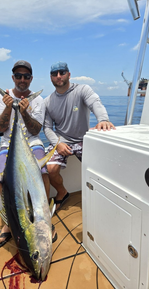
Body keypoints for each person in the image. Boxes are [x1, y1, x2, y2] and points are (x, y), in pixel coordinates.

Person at [0, 60, 57, 249]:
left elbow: (36, 131)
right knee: (2, 179)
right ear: (13, 78)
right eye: (18, 76)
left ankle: (44, 218)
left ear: (31, 79)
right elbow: (1, 127)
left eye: (26, 76)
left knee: (43, 173)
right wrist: (8, 107)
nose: (22, 79)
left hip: (32, 142)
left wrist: (25, 112)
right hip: (8, 144)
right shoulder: (2, 98)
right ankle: (8, 223)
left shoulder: (38, 100)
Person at [43, 61, 115, 210]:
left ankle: (103, 197)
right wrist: (58, 144)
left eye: (62, 72)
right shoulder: (47, 102)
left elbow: (95, 103)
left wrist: (103, 120)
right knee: (50, 169)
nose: (58, 76)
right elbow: (47, 128)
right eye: (54, 74)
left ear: (69, 74)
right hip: (61, 141)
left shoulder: (82, 90)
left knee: (101, 167)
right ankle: (62, 192)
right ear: (50, 78)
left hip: (83, 139)